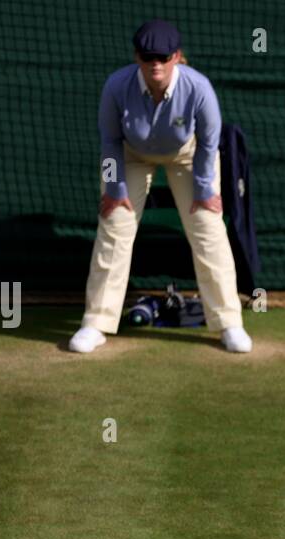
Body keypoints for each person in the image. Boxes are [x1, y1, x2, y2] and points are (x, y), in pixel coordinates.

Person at [70, 19, 251, 354]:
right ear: (137, 57)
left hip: (188, 154)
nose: (156, 63)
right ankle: (95, 323)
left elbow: (209, 144)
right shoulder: (116, 86)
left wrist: (203, 190)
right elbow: (110, 142)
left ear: (177, 57)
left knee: (208, 227)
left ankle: (229, 323)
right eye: (148, 56)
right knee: (114, 225)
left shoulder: (199, 89)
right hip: (131, 155)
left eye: (163, 57)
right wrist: (114, 189)